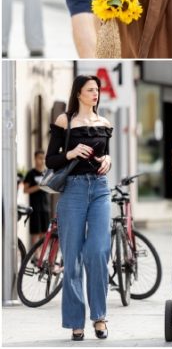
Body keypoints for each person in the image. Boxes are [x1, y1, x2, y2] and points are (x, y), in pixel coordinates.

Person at [45, 75, 113, 340]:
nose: (95, 93)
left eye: (97, 89)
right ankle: (76, 322)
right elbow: (51, 160)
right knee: (72, 258)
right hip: (73, 190)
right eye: (90, 89)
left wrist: (108, 160)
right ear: (78, 93)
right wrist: (71, 153)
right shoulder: (65, 121)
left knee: (98, 251)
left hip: (100, 189)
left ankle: (100, 316)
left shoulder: (104, 123)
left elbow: (105, 154)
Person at [21, 150, 52, 245]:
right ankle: (36, 253)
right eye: (40, 158)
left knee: (45, 233)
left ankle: (42, 253)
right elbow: (25, 190)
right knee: (35, 233)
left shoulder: (47, 173)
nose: (42, 161)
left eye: (43, 158)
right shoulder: (31, 173)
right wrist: (39, 186)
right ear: (35, 159)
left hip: (45, 208)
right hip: (34, 208)